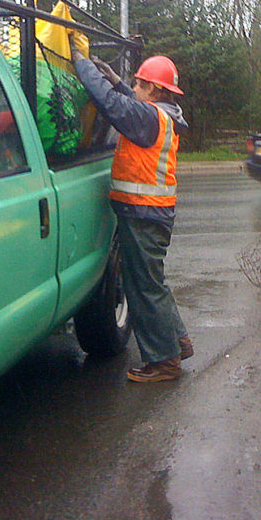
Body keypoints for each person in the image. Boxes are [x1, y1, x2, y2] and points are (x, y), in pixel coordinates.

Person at [69, 39, 193, 382]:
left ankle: (164, 361)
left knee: (143, 289)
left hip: (144, 213)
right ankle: (177, 341)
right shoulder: (162, 115)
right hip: (151, 213)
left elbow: (112, 106)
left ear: (153, 89)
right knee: (153, 282)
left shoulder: (148, 118)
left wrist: (82, 65)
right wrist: (116, 80)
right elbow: (126, 101)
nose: (134, 87)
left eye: (139, 83)